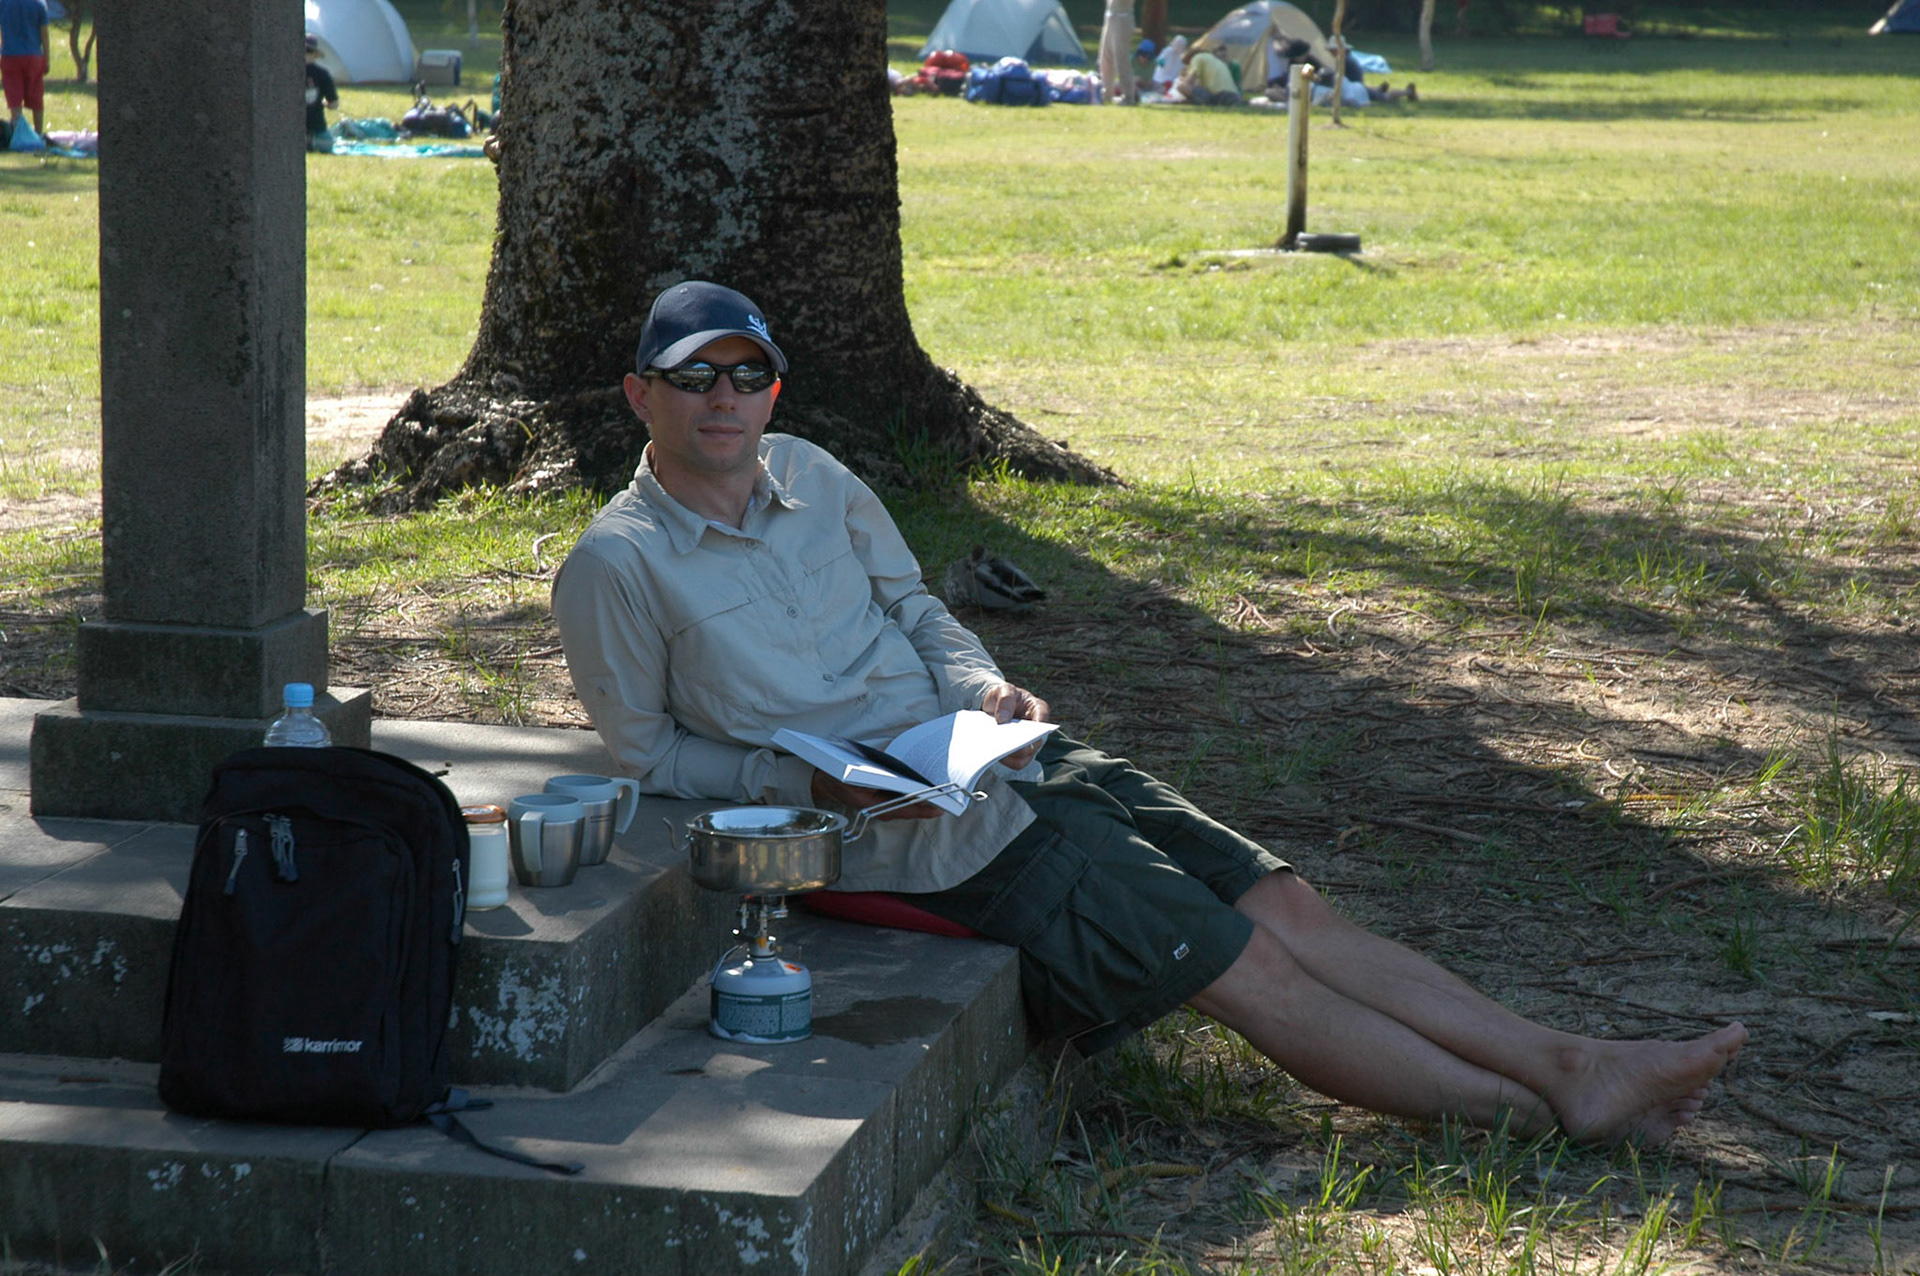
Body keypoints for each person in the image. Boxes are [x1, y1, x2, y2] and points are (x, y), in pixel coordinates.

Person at [551, 281, 1749, 1147]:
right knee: (1245, 967)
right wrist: (815, 783)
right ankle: (1548, 1111)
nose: (725, 398)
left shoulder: (816, 473)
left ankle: (1573, 1063)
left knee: (1287, 906)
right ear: (638, 394)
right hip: (917, 835)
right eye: (694, 375)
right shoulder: (617, 564)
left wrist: (982, 687)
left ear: (775, 386)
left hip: (1006, 753)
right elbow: (649, 755)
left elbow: (918, 611)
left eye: (746, 372)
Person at [0, 0, 49, 143]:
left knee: (14, 95)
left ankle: (17, 133)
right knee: (36, 95)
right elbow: (44, 34)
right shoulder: (39, 4)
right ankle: (38, 134)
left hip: (10, 55)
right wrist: (47, 58)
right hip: (34, 55)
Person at [303, 33, 339, 153]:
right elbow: (334, 104)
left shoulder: (287, 73)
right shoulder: (323, 74)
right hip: (317, 128)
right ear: (315, 53)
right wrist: (325, 103)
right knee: (328, 144)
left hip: (292, 129)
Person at [1097, 0, 1137, 106]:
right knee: (1105, 58)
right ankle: (1107, 94)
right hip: (1110, 16)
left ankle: (1128, 96)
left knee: (1121, 59)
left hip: (1122, 18)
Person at [1174, 45, 1240, 107]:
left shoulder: (1197, 58)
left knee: (1181, 86)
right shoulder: (1213, 59)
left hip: (1220, 96)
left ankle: (1197, 102)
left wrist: (1181, 80)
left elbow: (1189, 81)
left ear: (1189, 59)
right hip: (1235, 97)